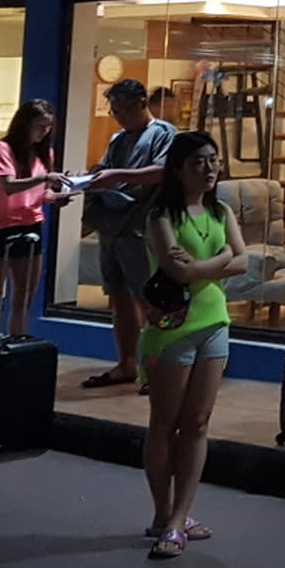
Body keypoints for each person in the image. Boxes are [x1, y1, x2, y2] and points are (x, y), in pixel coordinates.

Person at [139, 130, 247, 558]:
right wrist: (221, 260)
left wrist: (205, 264)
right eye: (199, 161)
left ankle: (179, 518)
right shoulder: (161, 216)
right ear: (179, 169)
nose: (209, 168)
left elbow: (244, 260)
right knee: (164, 423)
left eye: (213, 160)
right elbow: (178, 272)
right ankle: (162, 513)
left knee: (198, 422)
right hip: (172, 328)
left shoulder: (221, 210)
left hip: (214, 323)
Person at [81, 79, 177, 388]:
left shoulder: (163, 134)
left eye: (122, 110)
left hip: (142, 229)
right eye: (114, 111)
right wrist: (83, 181)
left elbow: (163, 172)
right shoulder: (118, 139)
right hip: (112, 228)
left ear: (141, 103)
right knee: (119, 298)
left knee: (150, 301)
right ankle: (127, 363)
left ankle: (159, 369)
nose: (118, 117)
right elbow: (104, 171)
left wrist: (118, 176)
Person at [0, 98, 69, 336]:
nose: (44, 132)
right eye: (39, 126)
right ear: (25, 124)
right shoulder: (3, 149)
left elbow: (39, 193)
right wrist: (44, 178)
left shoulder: (44, 153)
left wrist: (55, 197)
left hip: (30, 224)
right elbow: (9, 186)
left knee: (24, 296)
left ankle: (16, 341)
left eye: (48, 127)